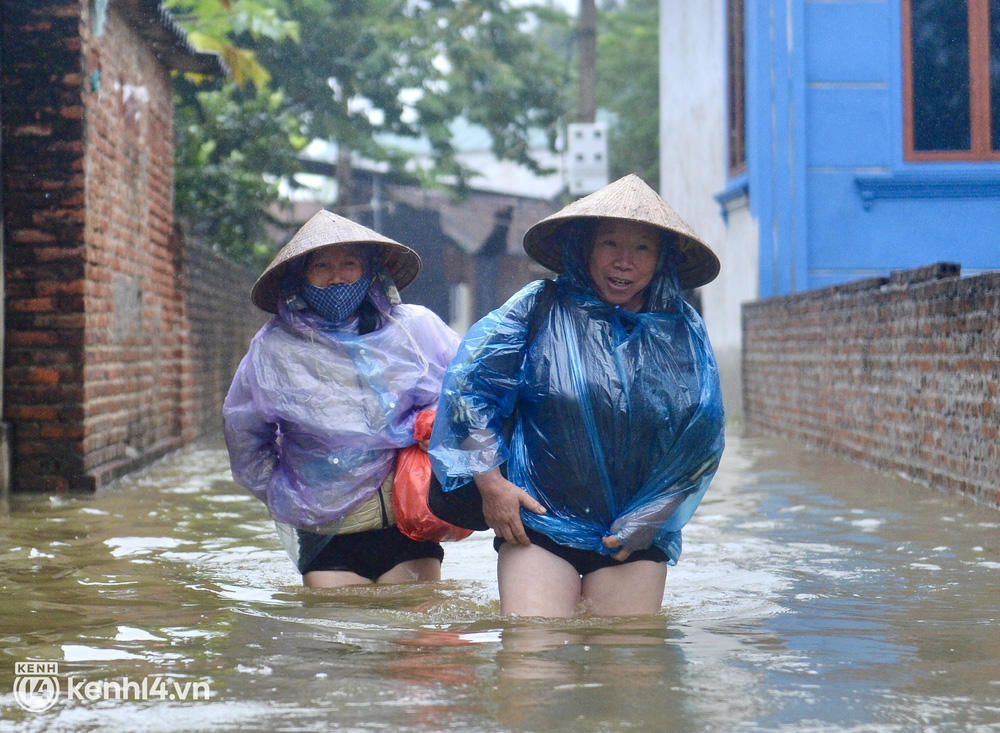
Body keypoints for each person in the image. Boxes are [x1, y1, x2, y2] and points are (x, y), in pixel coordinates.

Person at [428, 174, 725, 617]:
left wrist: (656, 515)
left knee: (630, 671)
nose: (624, 261)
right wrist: (492, 486)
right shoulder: (537, 307)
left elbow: (701, 436)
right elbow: (468, 395)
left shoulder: (682, 331)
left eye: (642, 248)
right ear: (585, 248)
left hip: (632, 534)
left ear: (662, 257)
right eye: (611, 244)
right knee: (532, 661)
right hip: (539, 524)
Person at [223, 210, 460, 588]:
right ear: (300, 277)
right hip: (326, 531)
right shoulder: (274, 348)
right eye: (322, 266)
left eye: (349, 263)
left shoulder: (414, 329)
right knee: (337, 636)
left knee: (416, 637)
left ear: (371, 271)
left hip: (406, 522)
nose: (337, 277)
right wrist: (285, 490)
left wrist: (432, 426)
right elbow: (244, 435)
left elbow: (466, 395)